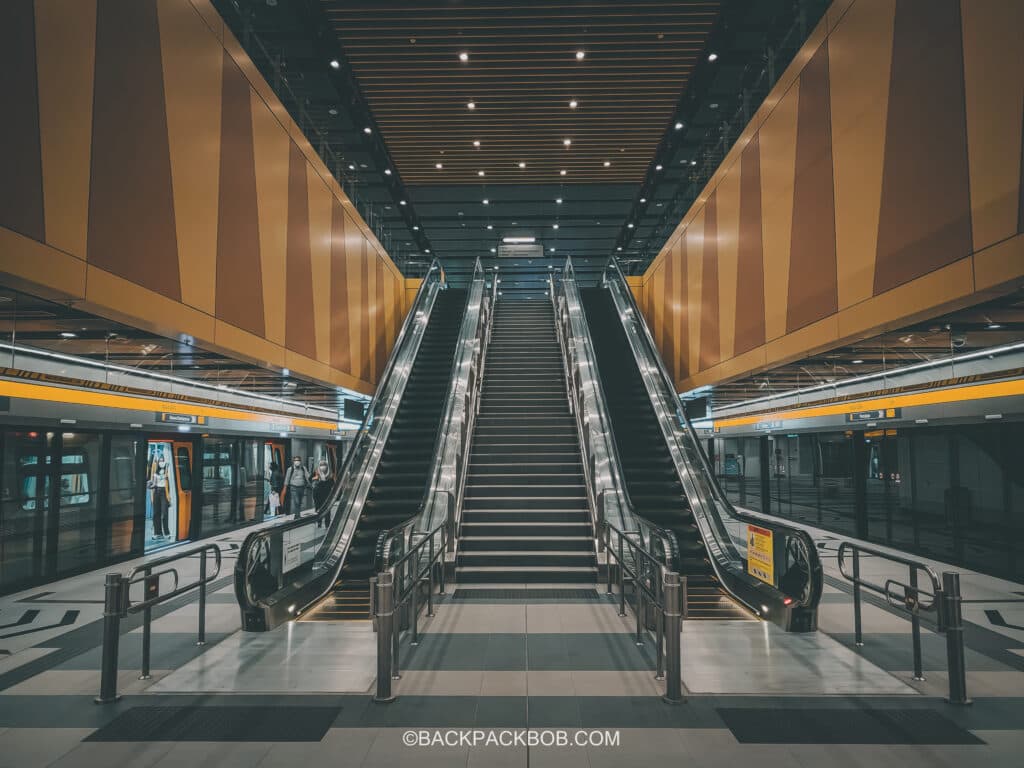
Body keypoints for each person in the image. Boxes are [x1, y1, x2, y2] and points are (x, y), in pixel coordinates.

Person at [147, 451, 172, 539]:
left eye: (163, 460)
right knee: (156, 513)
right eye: (160, 460)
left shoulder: (168, 469)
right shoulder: (156, 471)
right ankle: (158, 533)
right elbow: (154, 483)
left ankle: (167, 532)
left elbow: (170, 483)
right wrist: (150, 486)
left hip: (164, 492)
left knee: (164, 513)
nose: (161, 462)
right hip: (157, 491)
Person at [313, 459, 332, 528]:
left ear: (327, 466)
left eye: (324, 465)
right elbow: (311, 481)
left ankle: (327, 524)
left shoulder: (330, 475)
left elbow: (332, 485)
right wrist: (317, 479)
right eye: (321, 465)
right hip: (318, 496)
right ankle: (319, 523)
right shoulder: (316, 474)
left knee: (327, 510)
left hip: (327, 496)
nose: (322, 467)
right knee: (319, 509)